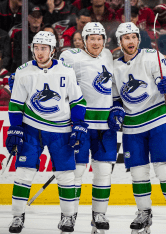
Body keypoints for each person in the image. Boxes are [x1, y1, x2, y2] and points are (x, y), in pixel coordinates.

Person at [6, 31, 88, 233]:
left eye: (44, 48)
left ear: (53, 50)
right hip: (31, 128)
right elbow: (15, 104)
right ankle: (17, 217)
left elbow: (78, 101)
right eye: (36, 48)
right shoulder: (23, 71)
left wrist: (78, 123)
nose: (39, 52)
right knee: (24, 173)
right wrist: (15, 127)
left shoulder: (66, 71)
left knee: (66, 175)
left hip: (61, 130)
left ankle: (68, 218)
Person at [112, 22, 166, 234]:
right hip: (132, 126)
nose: (131, 41)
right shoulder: (115, 67)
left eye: (134, 37)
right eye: (126, 38)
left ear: (138, 39)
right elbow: (117, 99)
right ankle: (144, 212)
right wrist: (116, 111)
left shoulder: (152, 56)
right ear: (120, 42)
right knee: (138, 172)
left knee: (165, 168)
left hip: (158, 119)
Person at [59, 22, 117, 234]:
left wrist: (117, 107)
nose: (95, 42)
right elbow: (60, 85)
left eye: (99, 38)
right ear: (84, 40)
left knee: (103, 172)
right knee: (77, 171)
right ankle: (68, 216)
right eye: (91, 38)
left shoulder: (109, 55)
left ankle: (98, 216)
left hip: (105, 126)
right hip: (81, 125)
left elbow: (115, 85)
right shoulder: (70, 57)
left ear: (104, 40)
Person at [11, 4, 44, 72]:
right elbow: (17, 59)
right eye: (33, 16)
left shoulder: (46, 35)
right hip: (25, 70)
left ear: (41, 19)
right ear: (28, 18)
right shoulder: (20, 36)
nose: (36, 19)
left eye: (38, 17)